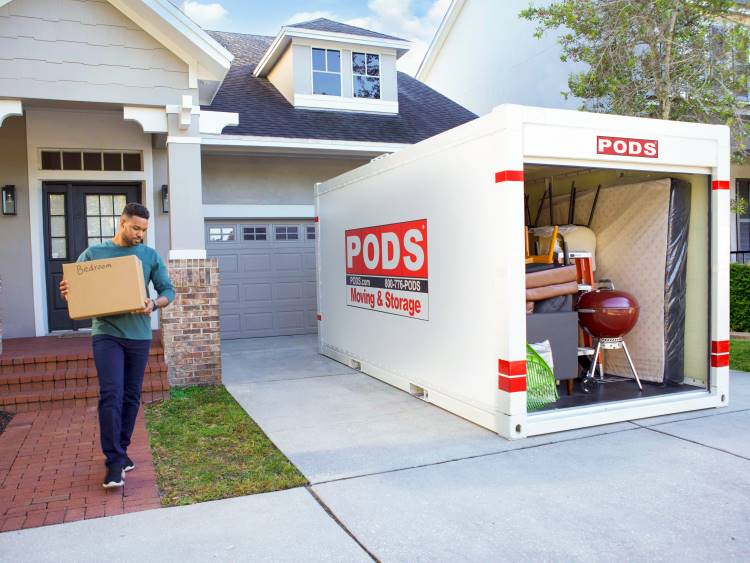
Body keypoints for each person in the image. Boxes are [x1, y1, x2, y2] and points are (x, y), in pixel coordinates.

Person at [59, 203, 174, 488]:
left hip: (138, 336)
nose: (140, 235)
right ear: (122, 223)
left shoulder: (148, 255)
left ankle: (121, 451)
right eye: (135, 228)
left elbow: (167, 291)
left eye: (144, 230)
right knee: (111, 393)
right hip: (106, 333)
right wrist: (67, 290)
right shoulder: (94, 254)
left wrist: (153, 303)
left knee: (131, 396)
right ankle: (113, 462)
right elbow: (76, 289)